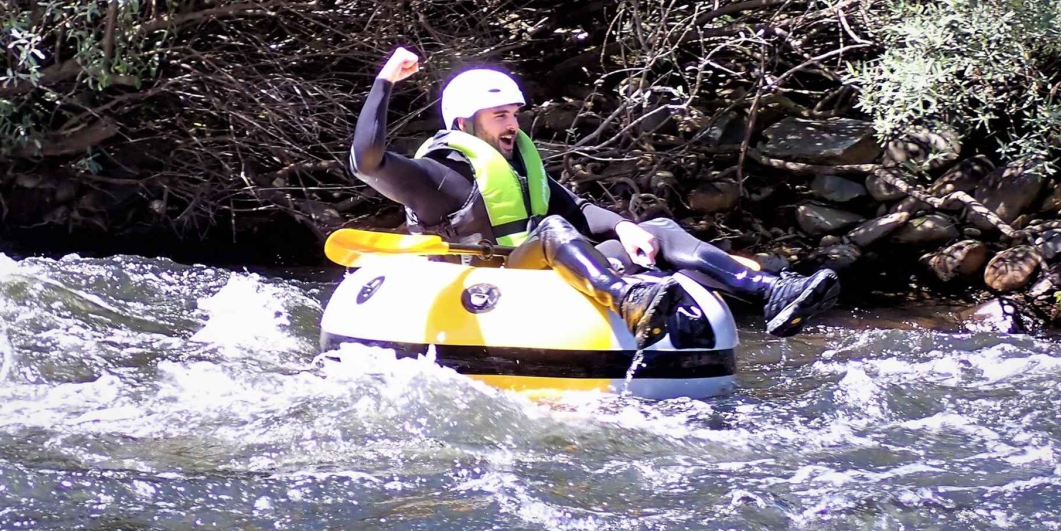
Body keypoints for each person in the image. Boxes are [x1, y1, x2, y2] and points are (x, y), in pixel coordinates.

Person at [349, 47, 839, 343]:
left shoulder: (519, 168)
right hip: (487, 278)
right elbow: (365, 162)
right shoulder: (435, 175)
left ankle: (771, 292)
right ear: (465, 123)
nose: (513, 125)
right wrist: (385, 81)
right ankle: (628, 300)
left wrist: (625, 227)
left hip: (536, 269)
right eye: (500, 116)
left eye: (514, 115)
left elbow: (578, 209)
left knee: (657, 229)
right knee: (553, 230)